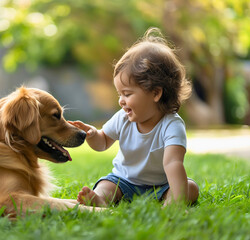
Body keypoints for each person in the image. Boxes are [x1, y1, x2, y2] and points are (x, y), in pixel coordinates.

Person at [69, 27, 199, 207]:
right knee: (107, 185)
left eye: (127, 94)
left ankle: (170, 204)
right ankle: (99, 199)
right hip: (124, 181)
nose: (121, 101)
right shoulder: (122, 118)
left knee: (190, 188)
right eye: (119, 94)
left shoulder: (172, 125)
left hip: (161, 186)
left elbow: (173, 163)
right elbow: (103, 142)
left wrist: (178, 199)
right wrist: (93, 135)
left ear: (155, 93)